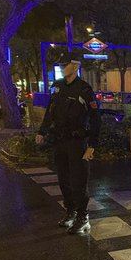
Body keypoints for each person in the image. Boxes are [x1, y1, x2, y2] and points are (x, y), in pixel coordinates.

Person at [36, 61, 101, 234]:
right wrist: (42, 131)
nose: (64, 67)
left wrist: (92, 145)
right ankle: (70, 211)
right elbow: (50, 111)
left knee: (78, 180)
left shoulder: (85, 89)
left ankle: (83, 216)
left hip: (77, 142)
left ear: (75, 67)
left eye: (67, 64)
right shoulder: (58, 87)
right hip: (60, 141)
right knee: (63, 179)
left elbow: (96, 119)